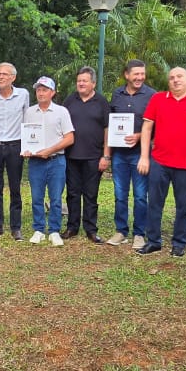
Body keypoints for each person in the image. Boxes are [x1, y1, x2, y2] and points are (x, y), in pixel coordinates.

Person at [135, 67, 186, 256]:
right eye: (171, 77)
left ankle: (179, 243)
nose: (175, 80)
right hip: (159, 161)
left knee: (183, 205)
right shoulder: (158, 99)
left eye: (179, 76)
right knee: (154, 203)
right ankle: (153, 241)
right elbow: (147, 128)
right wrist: (144, 156)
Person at [108, 59, 156, 249]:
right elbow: (111, 123)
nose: (140, 77)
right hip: (119, 154)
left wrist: (139, 136)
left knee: (140, 195)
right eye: (136, 74)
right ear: (126, 75)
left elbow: (156, 126)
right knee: (120, 194)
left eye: (142, 74)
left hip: (140, 154)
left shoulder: (152, 95)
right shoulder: (116, 94)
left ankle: (139, 233)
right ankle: (121, 231)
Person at [22, 76, 75, 245]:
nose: (40, 93)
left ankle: (54, 230)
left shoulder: (61, 111)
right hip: (36, 162)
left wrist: (49, 151)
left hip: (56, 160)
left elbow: (69, 138)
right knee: (36, 197)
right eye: (38, 90)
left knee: (56, 198)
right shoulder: (30, 112)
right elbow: (27, 136)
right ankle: (38, 229)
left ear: (52, 92)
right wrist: (27, 150)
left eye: (44, 90)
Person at [62, 66, 110, 242]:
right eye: (79, 81)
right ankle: (72, 227)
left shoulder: (101, 102)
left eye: (85, 81)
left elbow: (108, 129)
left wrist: (106, 155)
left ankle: (91, 229)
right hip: (71, 156)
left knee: (91, 194)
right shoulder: (70, 100)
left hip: (94, 157)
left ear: (93, 83)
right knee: (72, 193)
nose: (81, 83)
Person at [0, 62, 28, 240]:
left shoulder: (23, 94)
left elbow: (26, 120)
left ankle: (16, 227)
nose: (1, 77)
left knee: (15, 187)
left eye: (5, 74)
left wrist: (27, 145)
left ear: (13, 78)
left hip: (15, 145)